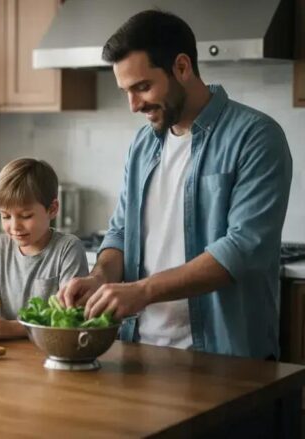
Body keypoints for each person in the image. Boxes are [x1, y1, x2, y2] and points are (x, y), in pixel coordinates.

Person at [57, 10, 292, 358]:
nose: (134, 105)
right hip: (140, 351)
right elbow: (121, 232)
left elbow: (242, 249)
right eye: (126, 91)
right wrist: (100, 277)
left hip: (226, 360)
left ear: (182, 68)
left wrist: (143, 291)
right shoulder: (143, 145)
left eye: (142, 87)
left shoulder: (255, 136)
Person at [0, 158, 88, 340]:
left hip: (53, 348)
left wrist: (16, 328)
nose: (15, 226)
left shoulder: (68, 248)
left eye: (26, 216)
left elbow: (69, 316)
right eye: (5, 216)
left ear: (52, 209)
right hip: (9, 352)